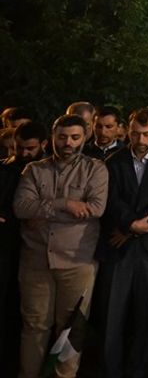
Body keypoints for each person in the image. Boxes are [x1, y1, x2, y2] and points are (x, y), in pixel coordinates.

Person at [13, 114, 108, 378]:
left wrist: (41, 210)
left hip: (78, 261)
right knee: (34, 325)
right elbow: (21, 208)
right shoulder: (34, 170)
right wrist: (65, 204)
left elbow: (96, 209)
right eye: (62, 137)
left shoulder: (96, 169)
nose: (68, 143)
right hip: (35, 262)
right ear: (52, 138)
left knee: (71, 328)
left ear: (85, 137)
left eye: (75, 137)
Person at [95, 107, 148, 378]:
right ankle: (111, 370)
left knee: (146, 315)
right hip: (120, 248)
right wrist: (131, 224)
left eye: (146, 134)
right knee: (113, 315)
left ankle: (138, 370)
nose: (140, 140)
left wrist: (133, 229)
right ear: (126, 131)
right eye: (135, 133)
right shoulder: (114, 161)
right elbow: (112, 200)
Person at [0, 123, 47, 376]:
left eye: (30, 149)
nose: (25, 154)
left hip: (37, 253)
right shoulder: (5, 170)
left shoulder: (47, 171)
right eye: (20, 149)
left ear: (43, 145)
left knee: (32, 317)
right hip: (6, 252)